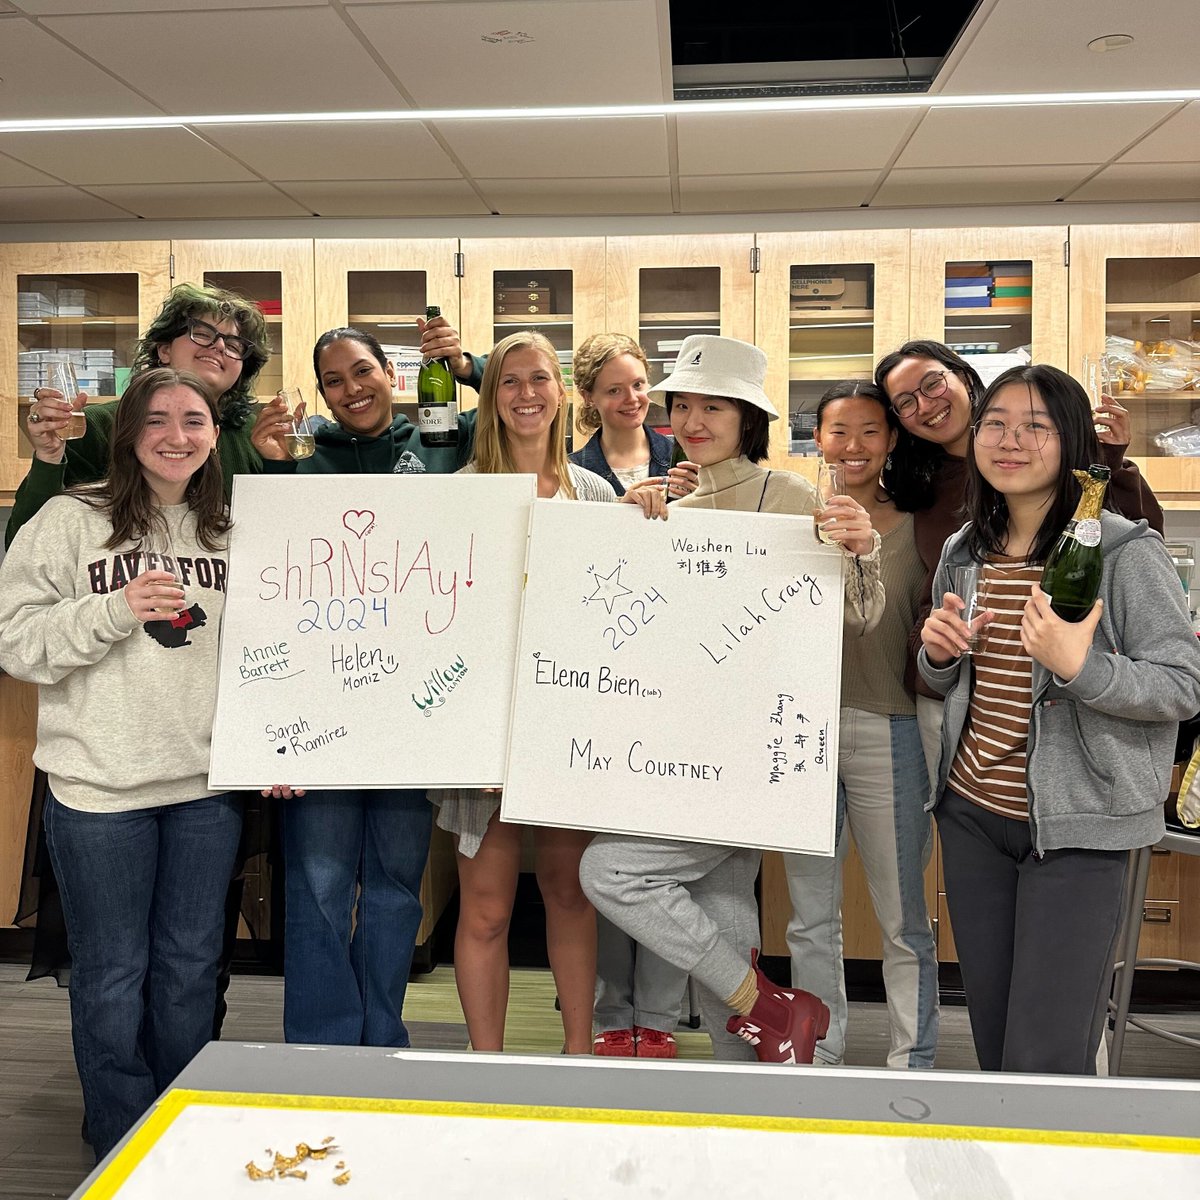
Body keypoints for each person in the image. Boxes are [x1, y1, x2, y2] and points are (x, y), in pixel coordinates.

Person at [580, 334, 885, 1065]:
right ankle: (756, 1064)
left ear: (748, 417)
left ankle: (770, 1013)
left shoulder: (792, 496)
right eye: (682, 403)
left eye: (713, 405)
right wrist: (630, 527)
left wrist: (862, 551)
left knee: (611, 871)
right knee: (722, 910)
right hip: (671, 745)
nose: (692, 418)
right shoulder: (664, 494)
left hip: (752, 752)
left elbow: (858, 618)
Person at [918, 363, 1200, 1075]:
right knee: (993, 1036)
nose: (1011, 441)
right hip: (974, 815)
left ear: (1072, 442)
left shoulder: (1122, 551)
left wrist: (1081, 668)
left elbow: (1181, 686)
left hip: (1080, 829)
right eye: (997, 424)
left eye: (1036, 427)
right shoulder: (964, 551)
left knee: (1044, 1054)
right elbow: (945, 681)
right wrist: (939, 656)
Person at [0, 368, 241, 1162]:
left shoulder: (233, 528)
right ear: (130, 430)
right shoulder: (71, 521)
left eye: (196, 421)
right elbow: (15, 643)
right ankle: (119, 1140)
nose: (178, 436)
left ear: (214, 433)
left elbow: (274, 655)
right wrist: (112, 609)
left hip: (207, 789)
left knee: (189, 970)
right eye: (160, 420)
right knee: (110, 975)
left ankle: (180, 1129)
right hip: (98, 790)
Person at [250, 325, 484, 1048]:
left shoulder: (446, 438)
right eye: (334, 380)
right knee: (318, 888)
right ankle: (323, 1044)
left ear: (394, 372)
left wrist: (465, 364)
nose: (352, 389)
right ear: (321, 393)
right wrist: (264, 466)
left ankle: (381, 1037)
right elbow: (270, 581)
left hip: (414, 710)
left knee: (392, 887)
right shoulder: (298, 458)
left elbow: (528, 405)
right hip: (322, 711)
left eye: (363, 371)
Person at [432, 329, 662, 1055]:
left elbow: (626, 608)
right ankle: (486, 1064)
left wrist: (654, 520)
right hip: (486, 734)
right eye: (509, 382)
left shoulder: (595, 493)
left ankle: (576, 1052)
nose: (527, 394)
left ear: (562, 393)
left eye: (539, 379)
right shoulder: (462, 495)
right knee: (488, 909)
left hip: (567, 729)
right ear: (490, 397)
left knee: (569, 894)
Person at [873, 340, 1164, 781]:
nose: (925, 405)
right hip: (962, 695)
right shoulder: (922, 490)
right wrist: (934, 654)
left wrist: (1109, 459)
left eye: (932, 384)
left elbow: (1136, 536)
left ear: (964, 377)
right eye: (905, 403)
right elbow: (931, 595)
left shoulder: (1068, 479)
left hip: (1070, 712)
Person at [780, 381, 937, 1068]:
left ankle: (914, 1057)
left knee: (903, 917)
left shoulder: (919, 525)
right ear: (818, 439)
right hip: (797, 734)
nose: (854, 446)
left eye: (871, 431)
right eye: (839, 431)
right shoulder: (789, 521)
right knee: (810, 918)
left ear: (893, 439)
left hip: (891, 729)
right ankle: (821, 1053)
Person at [568, 332, 693, 1058]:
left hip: (677, 678)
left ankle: (664, 1016)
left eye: (641, 384)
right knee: (608, 857)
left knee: (665, 855)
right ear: (589, 398)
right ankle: (615, 1015)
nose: (632, 399)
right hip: (602, 685)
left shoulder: (687, 460)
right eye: (615, 389)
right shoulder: (573, 470)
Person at [9, 282, 271, 547]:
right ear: (164, 350)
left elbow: (272, 539)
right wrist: (48, 458)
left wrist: (281, 464)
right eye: (202, 333)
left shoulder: (255, 434)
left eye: (234, 344)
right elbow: (27, 550)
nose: (219, 347)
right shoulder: (95, 427)